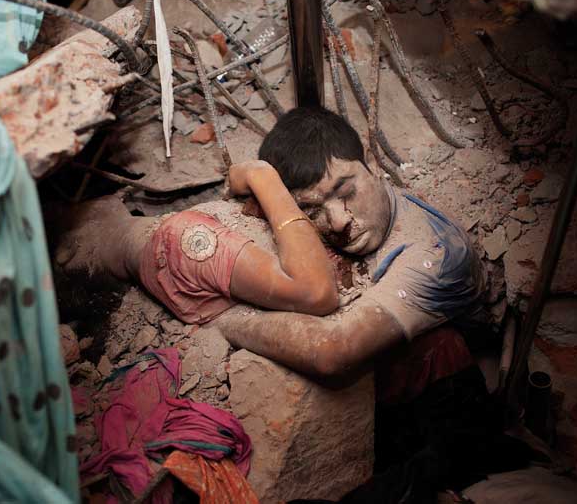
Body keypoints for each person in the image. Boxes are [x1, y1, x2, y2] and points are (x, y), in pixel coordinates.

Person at [213, 107, 532, 503]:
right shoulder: (365, 217)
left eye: (346, 192)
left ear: (374, 163)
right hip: (394, 379)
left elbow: (334, 351)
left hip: (444, 401)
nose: (339, 220)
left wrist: (226, 322)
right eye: (311, 210)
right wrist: (256, 177)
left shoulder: (431, 255)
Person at [54, 157, 340, 326]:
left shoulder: (179, 238)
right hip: (172, 245)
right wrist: (261, 175)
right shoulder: (184, 239)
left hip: (161, 249)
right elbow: (315, 292)